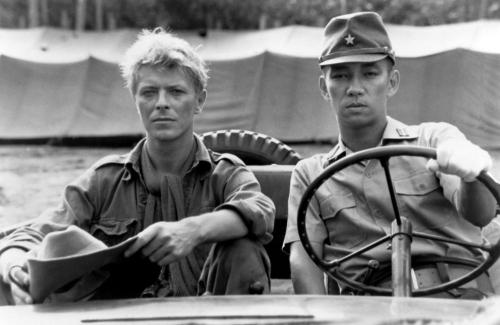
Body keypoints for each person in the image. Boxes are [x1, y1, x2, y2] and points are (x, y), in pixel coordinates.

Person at [0, 27, 275, 305]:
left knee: (243, 248)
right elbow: (36, 232)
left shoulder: (223, 173)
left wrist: (191, 231)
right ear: (136, 100)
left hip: (210, 316)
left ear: (199, 101)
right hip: (120, 317)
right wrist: (14, 267)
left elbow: (259, 210)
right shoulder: (104, 180)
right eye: (149, 93)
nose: (162, 104)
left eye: (176, 92)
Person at [283, 11, 497, 299]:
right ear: (324, 87)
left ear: (392, 82)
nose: (355, 88)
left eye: (370, 74)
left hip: (457, 299)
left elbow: (479, 214)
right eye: (341, 75)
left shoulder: (434, 140)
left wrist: (470, 176)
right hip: (368, 309)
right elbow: (304, 262)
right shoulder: (311, 175)